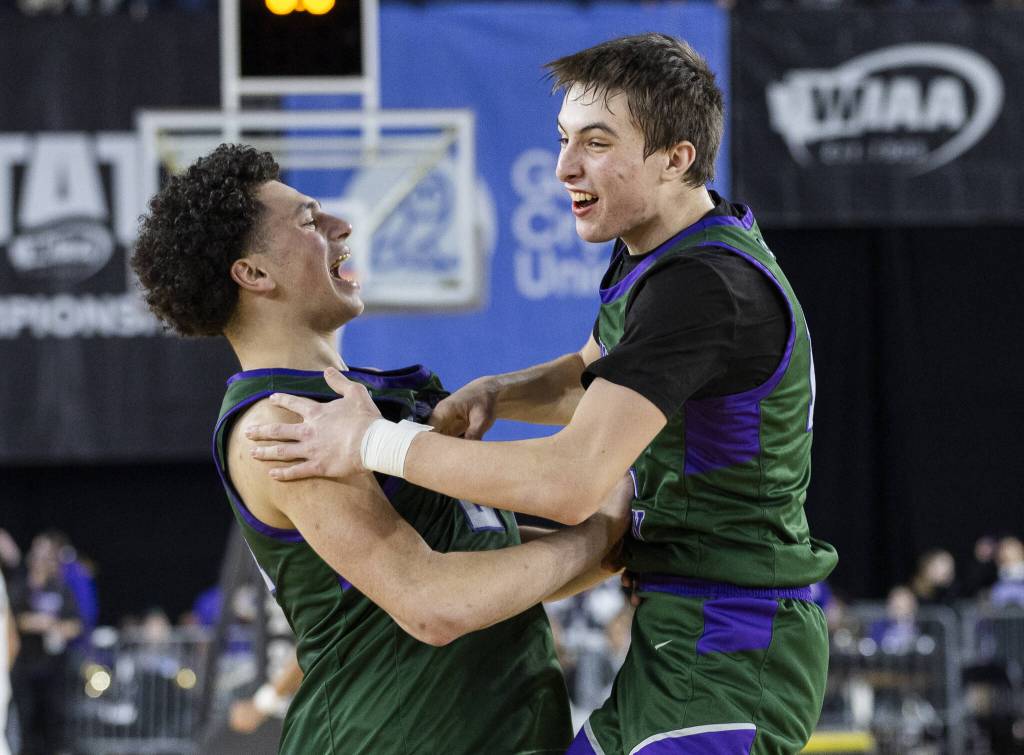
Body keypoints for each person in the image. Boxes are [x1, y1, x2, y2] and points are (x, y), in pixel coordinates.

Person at [247, 33, 838, 754]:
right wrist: (499, 390)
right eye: (562, 139)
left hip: (733, 639)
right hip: (689, 626)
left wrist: (373, 442)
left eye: (595, 142)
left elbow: (568, 481)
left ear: (676, 158)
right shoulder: (661, 253)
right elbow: (593, 377)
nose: (563, 167)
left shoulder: (701, 286)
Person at [130, 143, 633, 754]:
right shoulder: (279, 424)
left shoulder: (369, 403)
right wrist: (594, 536)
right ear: (254, 274)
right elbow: (432, 602)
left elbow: (485, 557)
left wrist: (612, 550)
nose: (342, 225)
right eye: (310, 221)